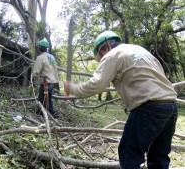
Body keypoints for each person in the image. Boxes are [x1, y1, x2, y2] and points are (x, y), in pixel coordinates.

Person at [64, 30, 178, 169]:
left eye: (101, 56)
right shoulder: (140, 51)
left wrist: (73, 88)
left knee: (129, 152)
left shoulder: (112, 55)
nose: (102, 60)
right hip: (171, 106)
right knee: (158, 155)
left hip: (149, 107)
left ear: (106, 47)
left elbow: (97, 85)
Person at [32, 38, 59, 118]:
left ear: (40, 48)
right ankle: (51, 113)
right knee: (49, 99)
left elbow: (36, 71)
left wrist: (34, 78)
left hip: (45, 82)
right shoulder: (52, 57)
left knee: (41, 98)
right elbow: (55, 70)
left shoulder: (40, 57)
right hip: (52, 82)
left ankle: (43, 113)